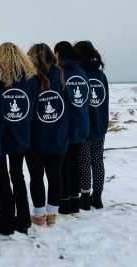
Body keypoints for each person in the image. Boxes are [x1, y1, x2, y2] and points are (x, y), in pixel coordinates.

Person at [0, 42, 38, 235]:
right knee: (17, 176)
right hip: (21, 136)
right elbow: (33, 109)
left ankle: (6, 223)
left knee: (1, 179)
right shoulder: (31, 80)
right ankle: (24, 220)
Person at [26, 43, 70, 227]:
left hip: (36, 140)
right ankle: (52, 215)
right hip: (58, 138)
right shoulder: (61, 76)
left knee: (36, 178)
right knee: (55, 176)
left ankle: (39, 216)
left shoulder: (31, 80)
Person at [54, 41, 90, 218]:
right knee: (74, 165)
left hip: (67, 127)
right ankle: (75, 205)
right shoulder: (81, 72)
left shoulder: (63, 73)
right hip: (81, 125)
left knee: (64, 166)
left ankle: (65, 204)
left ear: (59, 54)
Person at [74, 41, 109, 210]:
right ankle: (99, 197)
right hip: (100, 125)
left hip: (85, 126)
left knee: (84, 162)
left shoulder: (81, 74)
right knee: (97, 161)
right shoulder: (101, 75)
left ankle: (86, 198)